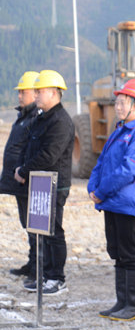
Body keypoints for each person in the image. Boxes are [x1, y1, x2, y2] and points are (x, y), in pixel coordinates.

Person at [88, 80, 135, 321]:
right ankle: (122, 301)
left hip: (129, 203)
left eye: (123, 102)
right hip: (112, 201)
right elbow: (102, 161)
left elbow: (131, 169)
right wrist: (93, 186)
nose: (118, 106)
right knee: (117, 252)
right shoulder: (120, 130)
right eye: (117, 101)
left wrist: (102, 190)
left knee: (131, 253)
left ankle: (134, 305)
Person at [16, 70, 74, 296]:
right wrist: (21, 167)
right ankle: (45, 276)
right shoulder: (42, 118)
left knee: (54, 232)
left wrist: (24, 169)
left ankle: (57, 278)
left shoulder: (61, 121)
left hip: (54, 184)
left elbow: (49, 155)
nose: (36, 95)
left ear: (53, 93)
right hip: (40, 183)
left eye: (39, 91)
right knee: (42, 232)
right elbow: (29, 147)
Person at [2, 71, 39, 281]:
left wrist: (23, 171)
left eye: (22, 92)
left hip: (26, 181)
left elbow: (31, 150)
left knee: (34, 225)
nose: (19, 96)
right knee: (27, 224)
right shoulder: (24, 116)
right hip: (17, 181)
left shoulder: (34, 118)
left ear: (35, 93)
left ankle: (37, 266)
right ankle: (32, 262)